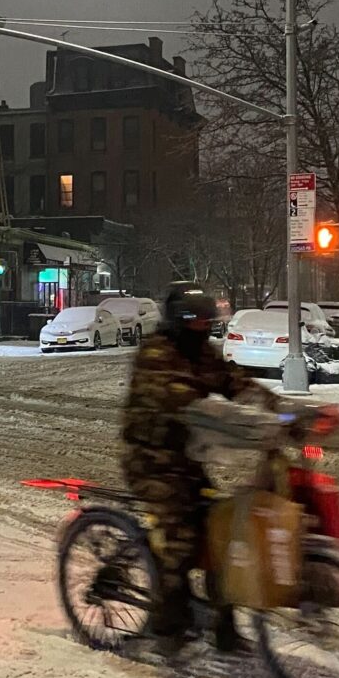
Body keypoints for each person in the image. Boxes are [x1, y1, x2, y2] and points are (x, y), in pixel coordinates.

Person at [120, 281, 288, 655]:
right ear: (177, 321)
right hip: (150, 460)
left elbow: (234, 382)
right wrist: (241, 423)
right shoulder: (156, 355)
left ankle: (224, 629)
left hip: (187, 459)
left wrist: (281, 409)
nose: (201, 327)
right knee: (180, 541)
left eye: (205, 321)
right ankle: (167, 629)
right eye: (193, 321)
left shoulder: (202, 353)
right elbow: (182, 401)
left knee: (223, 536)